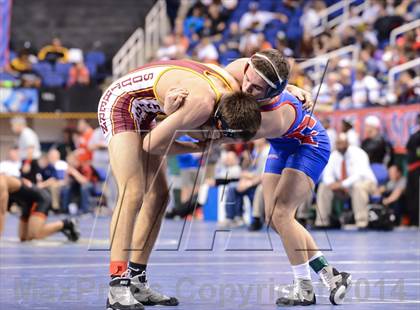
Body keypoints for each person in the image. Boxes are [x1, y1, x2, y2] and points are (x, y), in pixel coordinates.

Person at [164, 49, 351, 306]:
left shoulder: (270, 119)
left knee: (282, 214)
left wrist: (171, 115)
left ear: (272, 93)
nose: (246, 87)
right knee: (273, 219)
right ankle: (330, 274)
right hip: (282, 145)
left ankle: (304, 287)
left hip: (309, 144)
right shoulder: (246, 68)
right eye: (248, 79)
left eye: (256, 89)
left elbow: (214, 137)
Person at [99, 59, 261, 310]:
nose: (217, 138)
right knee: (132, 192)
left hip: (147, 108)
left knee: (160, 196)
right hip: (121, 102)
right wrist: (196, 147)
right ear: (216, 120)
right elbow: (152, 145)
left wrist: (293, 89)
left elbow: (257, 64)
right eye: (219, 134)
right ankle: (117, 285)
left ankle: (137, 280)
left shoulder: (236, 88)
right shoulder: (202, 106)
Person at [316, 133, 378, 229]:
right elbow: (327, 175)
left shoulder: (359, 153)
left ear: (347, 143)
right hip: (343, 186)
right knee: (323, 186)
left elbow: (359, 175)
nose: (340, 146)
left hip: (366, 183)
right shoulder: (333, 156)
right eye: (338, 143)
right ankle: (322, 222)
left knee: (358, 187)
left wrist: (342, 184)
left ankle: (361, 222)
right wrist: (332, 184)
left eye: (342, 143)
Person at [0, 174, 79, 242]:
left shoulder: (1, 184)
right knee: (23, 238)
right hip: (27, 202)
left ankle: (67, 224)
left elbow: (2, 212)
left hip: (40, 199)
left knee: (33, 235)